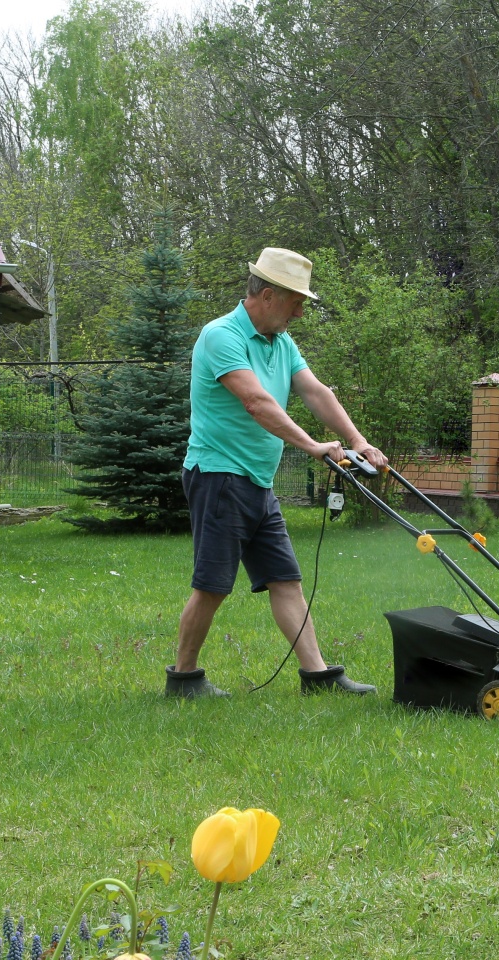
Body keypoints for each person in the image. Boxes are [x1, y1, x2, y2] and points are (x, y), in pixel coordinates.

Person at [167, 248, 388, 698]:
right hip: (218, 476)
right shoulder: (221, 335)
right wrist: (311, 445)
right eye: (296, 302)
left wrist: (358, 440)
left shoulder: (280, 342)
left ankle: (317, 676)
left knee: (285, 580)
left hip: (256, 481)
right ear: (268, 295)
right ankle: (184, 678)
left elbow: (315, 391)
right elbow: (256, 402)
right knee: (212, 585)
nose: (301, 312)